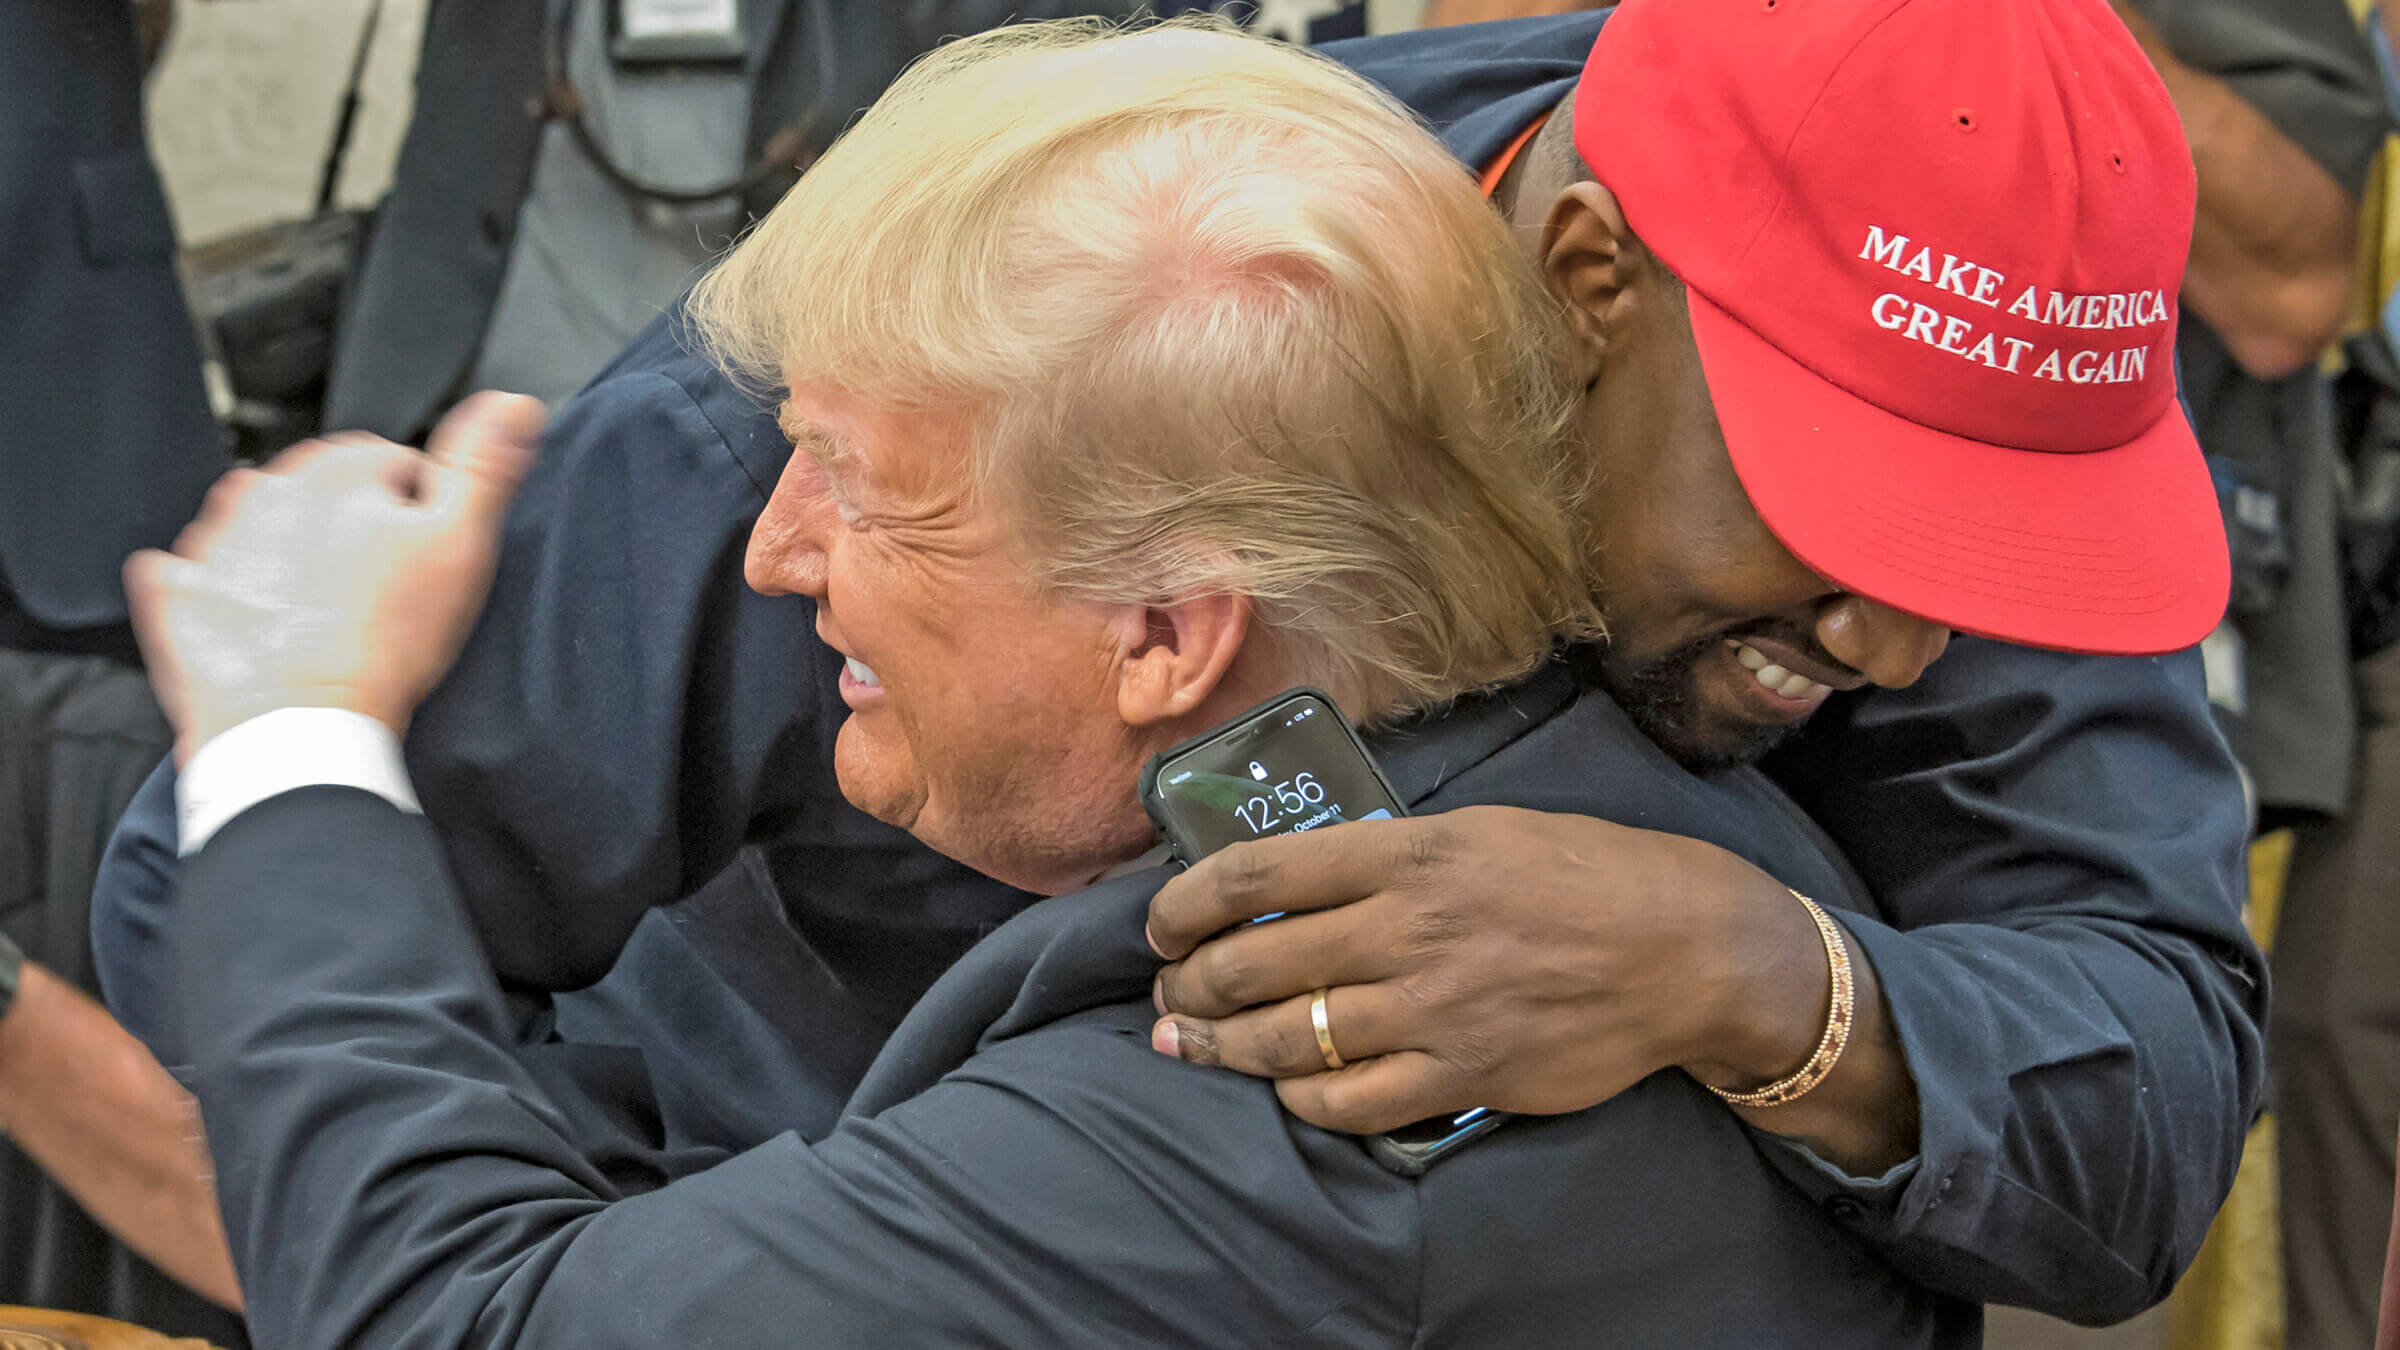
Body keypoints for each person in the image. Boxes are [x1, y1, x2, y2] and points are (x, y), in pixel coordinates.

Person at [84, 0, 2251, 1330]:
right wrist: (813, 1252)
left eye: (1986, 550)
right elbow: (250, 894)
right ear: (1585, 278)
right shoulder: (1010, 346)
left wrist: (1763, 976)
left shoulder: (1942, 405)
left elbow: (2140, 1102)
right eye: (1847, 519)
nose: (1907, 634)